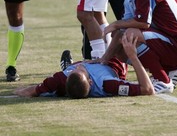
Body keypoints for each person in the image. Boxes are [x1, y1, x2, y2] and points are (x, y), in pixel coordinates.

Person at [14, 33, 155, 98]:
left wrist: (19, 91)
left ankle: (66, 65)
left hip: (93, 66)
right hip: (113, 64)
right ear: (90, 81)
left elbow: (32, 91)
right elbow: (148, 89)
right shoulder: (108, 84)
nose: (78, 68)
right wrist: (133, 57)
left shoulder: (61, 79)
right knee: (121, 35)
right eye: (81, 70)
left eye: (72, 71)